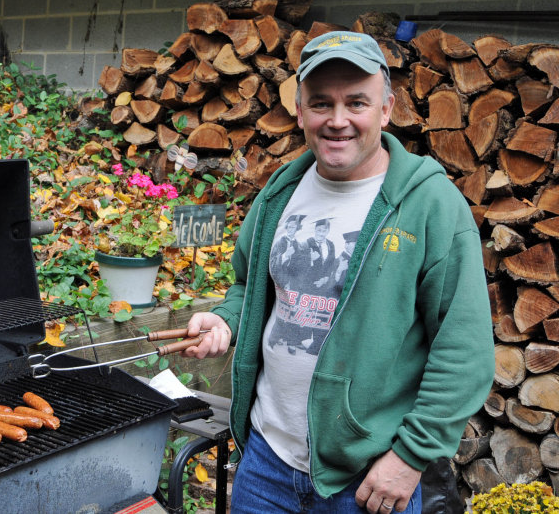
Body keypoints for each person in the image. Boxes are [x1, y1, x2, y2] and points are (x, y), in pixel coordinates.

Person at [182, 31, 494, 514]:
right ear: (301, 111)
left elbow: (464, 349)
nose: (338, 120)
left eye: (356, 103)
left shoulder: (430, 204)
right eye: (322, 103)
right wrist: (225, 319)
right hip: (267, 461)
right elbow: (251, 285)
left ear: (386, 109)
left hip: (367, 478)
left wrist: (409, 458)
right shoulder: (281, 190)